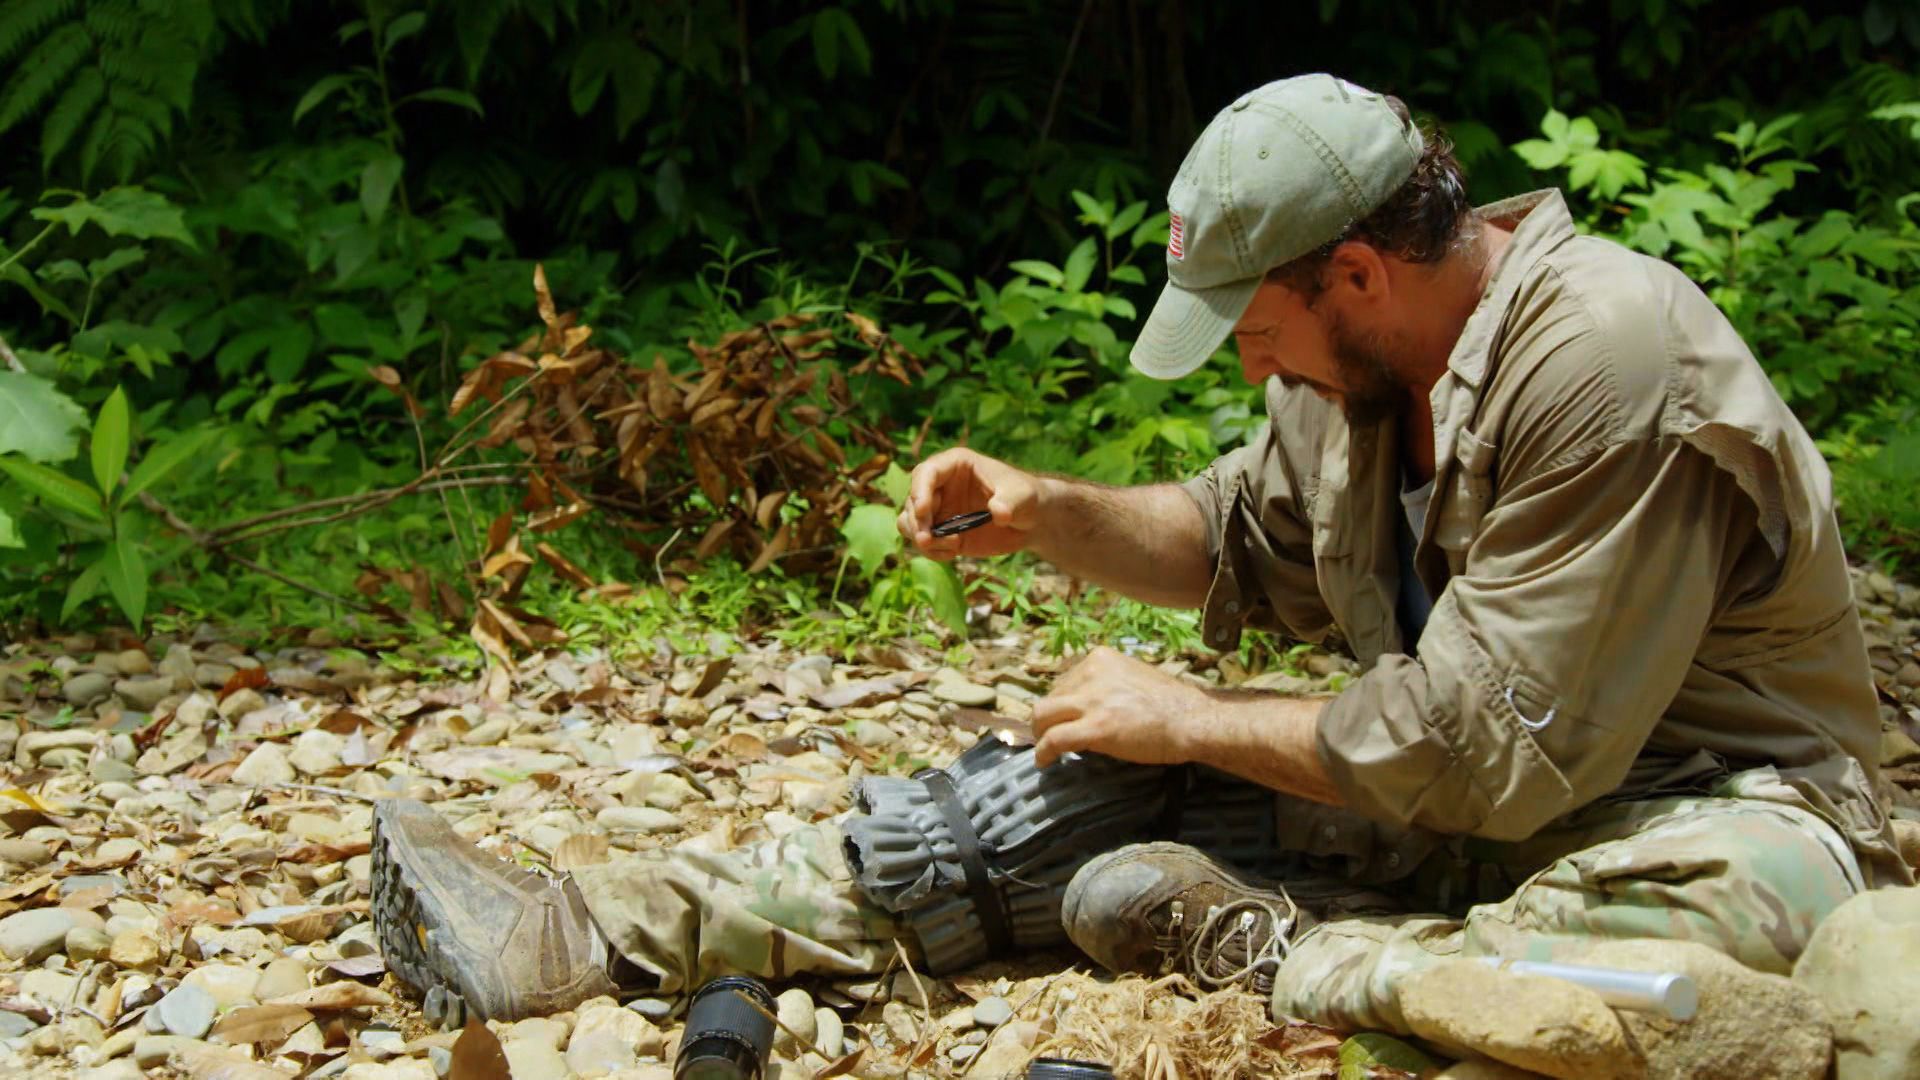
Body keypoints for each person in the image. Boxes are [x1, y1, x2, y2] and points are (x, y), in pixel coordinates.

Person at [371, 74, 1907, 1041]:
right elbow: (1235, 536)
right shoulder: (1360, 372)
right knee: (1054, 790)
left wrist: (1191, 720)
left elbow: (1485, 750)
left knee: (1661, 977)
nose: (1251, 371)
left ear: (1358, 272)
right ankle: (580, 931)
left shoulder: (1608, 356)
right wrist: (1049, 508)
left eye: (1256, 327)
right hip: (1480, 804)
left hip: (1708, 814)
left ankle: (1301, 966)